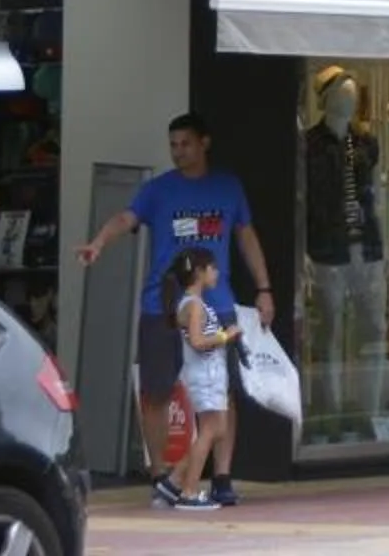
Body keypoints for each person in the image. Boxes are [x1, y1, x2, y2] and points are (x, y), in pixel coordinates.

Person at [77, 113, 277, 507]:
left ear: (205, 142)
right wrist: (99, 242)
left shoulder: (228, 187)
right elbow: (125, 218)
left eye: (185, 143)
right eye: (173, 145)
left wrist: (264, 288)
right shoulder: (157, 191)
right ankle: (159, 477)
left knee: (224, 395)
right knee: (156, 392)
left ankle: (221, 477)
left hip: (217, 304)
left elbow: (246, 236)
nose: (178, 152)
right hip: (162, 304)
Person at [157, 248, 238, 511]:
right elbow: (198, 341)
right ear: (199, 273)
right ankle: (189, 492)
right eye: (212, 268)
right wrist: (226, 336)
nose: (216, 272)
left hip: (207, 375)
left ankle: (174, 481)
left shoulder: (192, 303)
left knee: (217, 429)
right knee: (211, 431)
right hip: (205, 377)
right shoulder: (193, 305)